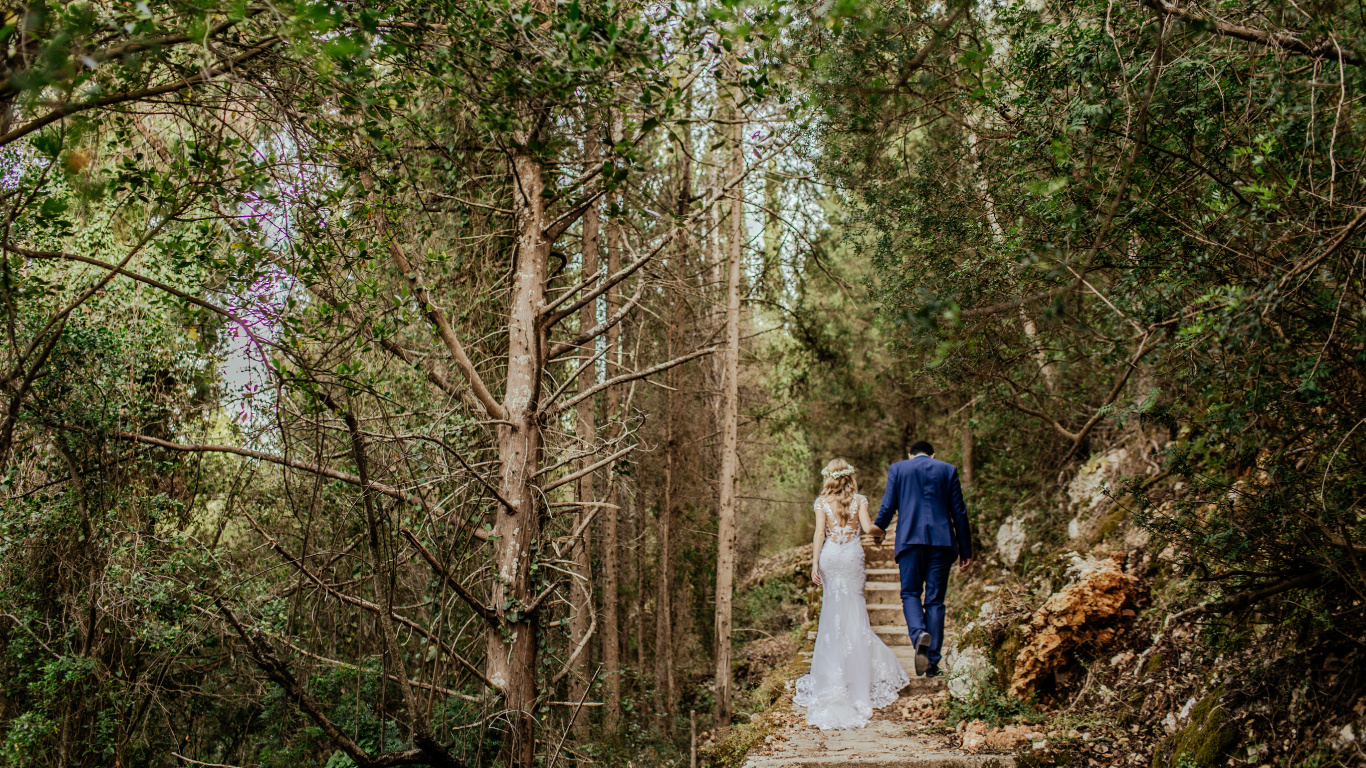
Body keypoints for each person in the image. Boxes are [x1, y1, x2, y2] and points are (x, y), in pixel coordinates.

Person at [793, 459, 909, 730]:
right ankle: (857, 678)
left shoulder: (821, 503)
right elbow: (869, 530)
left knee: (832, 614)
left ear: (829, 478)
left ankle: (833, 676)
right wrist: (882, 533)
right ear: (850, 477)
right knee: (855, 611)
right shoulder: (860, 500)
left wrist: (814, 563)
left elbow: (820, 533)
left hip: (831, 557)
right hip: (852, 557)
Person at [868, 441, 973, 678]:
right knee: (935, 600)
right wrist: (966, 550)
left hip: (909, 541)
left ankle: (918, 635)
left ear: (910, 455)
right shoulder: (948, 470)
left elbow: (888, 504)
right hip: (942, 542)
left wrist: (879, 530)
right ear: (933, 455)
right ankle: (932, 663)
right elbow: (960, 512)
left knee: (910, 593)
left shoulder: (898, 469)